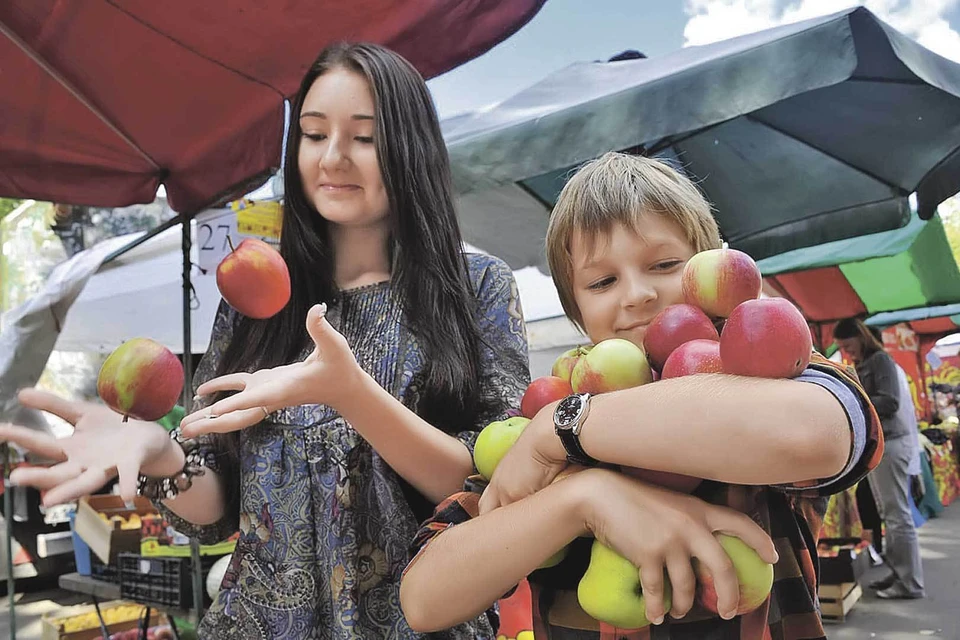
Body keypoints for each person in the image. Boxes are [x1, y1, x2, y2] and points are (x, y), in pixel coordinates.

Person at [0, 43, 529, 639]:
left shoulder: (478, 287)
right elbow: (220, 504)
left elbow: (493, 484)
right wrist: (161, 455)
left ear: (411, 146)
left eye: (364, 136)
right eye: (312, 133)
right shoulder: (256, 298)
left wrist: (350, 393)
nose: (332, 157)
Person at [400, 152, 883, 640]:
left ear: (707, 265)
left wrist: (566, 428)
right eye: (602, 281)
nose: (637, 294)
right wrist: (581, 498)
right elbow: (423, 598)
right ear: (576, 308)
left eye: (665, 264)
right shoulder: (541, 410)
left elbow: (814, 434)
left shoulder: (763, 370)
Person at [834, 318, 925, 600]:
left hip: (892, 444)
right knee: (890, 515)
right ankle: (899, 573)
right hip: (881, 446)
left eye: (848, 345)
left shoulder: (880, 360)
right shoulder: (866, 363)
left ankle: (909, 583)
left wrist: (857, 403)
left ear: (861, 338)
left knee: (897, 517)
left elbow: (890, 401)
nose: (847, 352)